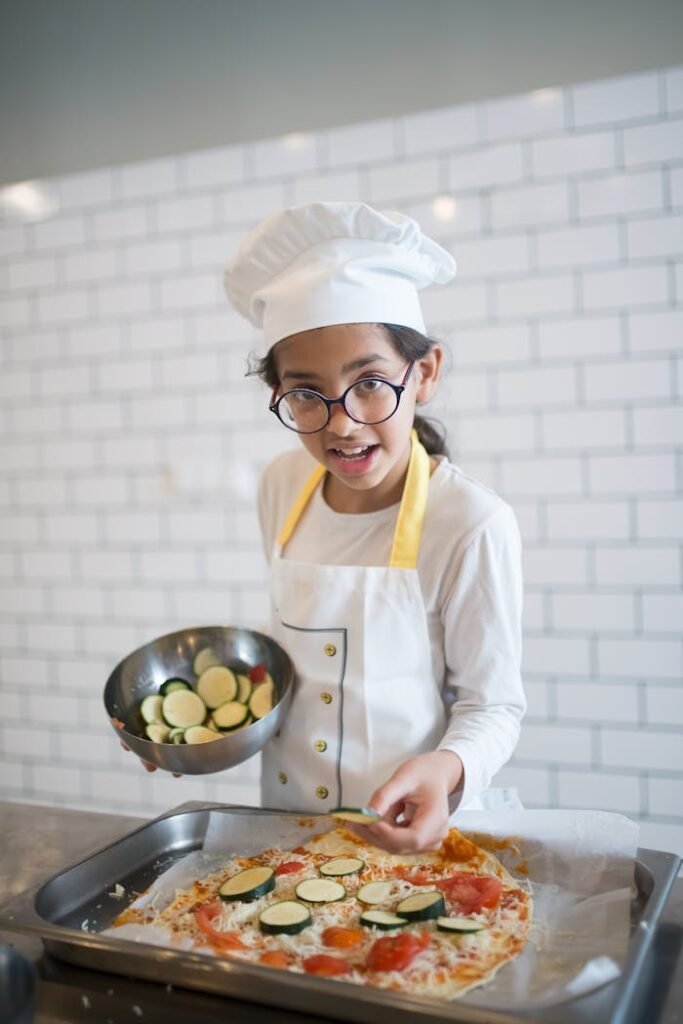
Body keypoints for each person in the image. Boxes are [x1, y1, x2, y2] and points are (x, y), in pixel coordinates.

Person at [222, 201, 526, 855]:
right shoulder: (281, 487)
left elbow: (492, 707)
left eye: (369, 384)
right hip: (284, 833)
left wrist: (446, 769)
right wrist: (209, 732)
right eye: (305, 394)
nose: (342, 423)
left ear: (424, 374)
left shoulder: (469, 521)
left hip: (409, 842)